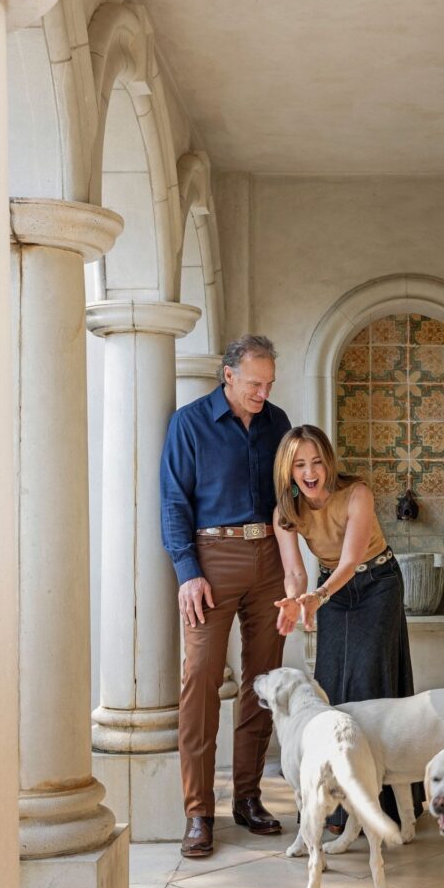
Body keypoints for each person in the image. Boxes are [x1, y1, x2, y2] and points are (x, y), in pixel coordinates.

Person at [160, 334, 293, 858]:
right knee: (200, 680)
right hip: (211, 560)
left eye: (269, 384)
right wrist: (187, 572)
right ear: (228, 375)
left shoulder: (276, 423)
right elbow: (173, 501)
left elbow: (289, 498)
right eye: (255, 383)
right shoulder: (189, 424)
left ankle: (248, 797)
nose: (263, 393)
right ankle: (198, 812)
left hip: (269, 562)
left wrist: (293, 567)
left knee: (264, 680)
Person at [272, 424, 415, 831]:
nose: (310, 471)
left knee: (370, 683)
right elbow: (295, 573)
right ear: (289, 470)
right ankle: (332, 806)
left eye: (317, 461)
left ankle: (381, 805)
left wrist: (318, 595)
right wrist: (294, 601)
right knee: (329, 684)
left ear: (328, 462)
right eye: (300, 464)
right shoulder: (286, 511)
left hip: (377, 584)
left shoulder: (357, 493)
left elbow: (351, 560)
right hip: (329, 588)